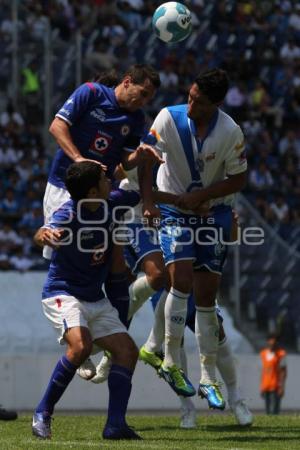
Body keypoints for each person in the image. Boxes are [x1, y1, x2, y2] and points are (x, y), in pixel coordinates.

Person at [42, 65, 162, 377]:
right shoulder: (91, 94)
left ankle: (105, 340)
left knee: (112, 260)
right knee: (65, 257)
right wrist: (79, 160)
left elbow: (123, 163)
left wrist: (142, 155)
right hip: (65, 187)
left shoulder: (134, 120)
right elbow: (57, 126)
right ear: (127, 82)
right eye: (143, 93)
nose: (143, 101)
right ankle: (76, 339)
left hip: (103, 197)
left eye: (149, 98)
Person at [139, 68, 247, 409]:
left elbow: (238, 178)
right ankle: (170, 360)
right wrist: (149, 200)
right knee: (180, 280)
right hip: (173, 209)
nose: (189, 104)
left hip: (211, 211)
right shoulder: (169, 118)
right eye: (189, 95)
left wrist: (206, 197)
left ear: (214, 103)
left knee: (207, 296)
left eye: (197, 101)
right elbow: (144, 159)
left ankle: (207, 377)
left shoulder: (230, 131)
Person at [32, 161, 142, 440]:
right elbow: (42, 233)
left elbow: (143, 194)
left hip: (95, 298)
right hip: (63, 293)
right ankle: (42, 413)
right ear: (93, 192)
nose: (111, 183)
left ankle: (115, 425)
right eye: (106, 180)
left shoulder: (111, 203)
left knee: (128, 352)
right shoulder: (69, 213)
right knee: (81, 346)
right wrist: (46, 234)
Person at [149, 290, 253, 428]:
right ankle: (187, 407)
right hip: (167, 289)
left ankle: (236, 399)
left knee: (217, 333)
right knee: (173, 343)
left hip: (196, 285)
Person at [260, 333, 287, 415]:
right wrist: (261, 387)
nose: (272, 344)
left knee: (274, 411)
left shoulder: (281, 354)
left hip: (275, 387)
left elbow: (283, 371)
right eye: (270, 342)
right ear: (268, 342)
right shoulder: (263, 354)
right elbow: (263, 371)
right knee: (268, 411)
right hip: (266, 386)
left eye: (274, 342)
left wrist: (281, 387)